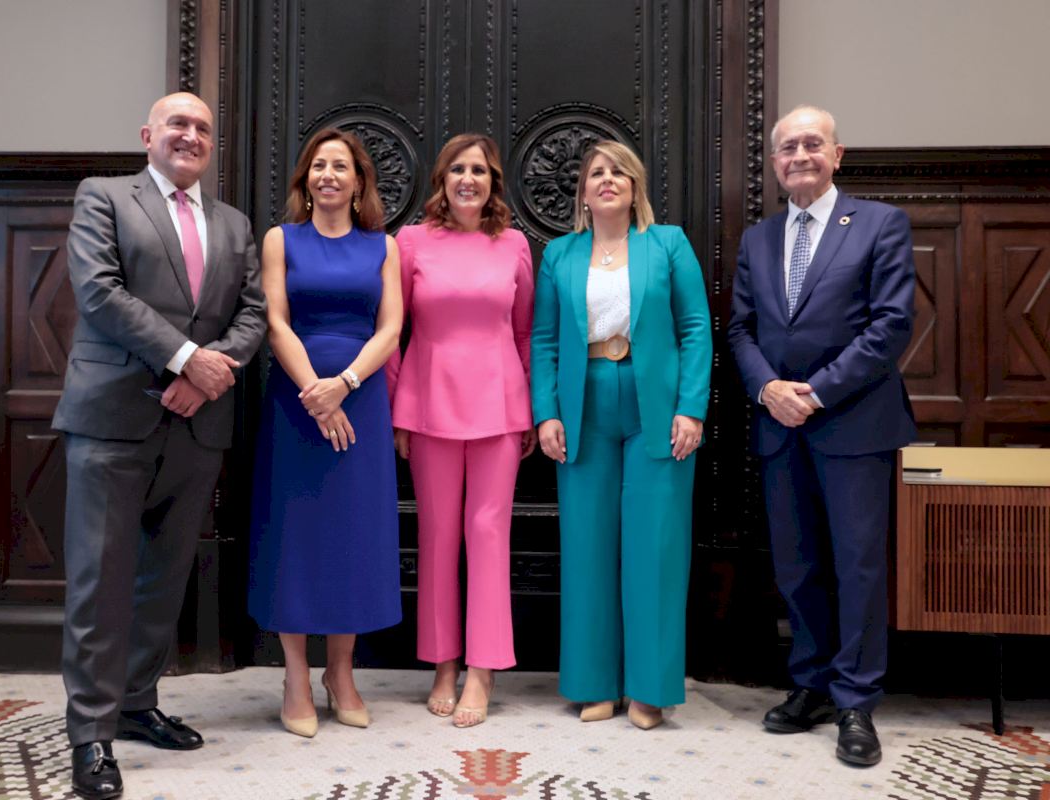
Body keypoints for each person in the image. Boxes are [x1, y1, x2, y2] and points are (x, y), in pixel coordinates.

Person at [52, 92, 266, 800]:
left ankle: (137, 703)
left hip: (196, 427)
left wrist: (207, 376)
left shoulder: (234, 225)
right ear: (148, 134)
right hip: (112, 419)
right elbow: (99, 292)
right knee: (100, 582)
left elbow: (253, 313)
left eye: (203, 127)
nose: (191, 135)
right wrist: (186, 359)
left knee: (163, 579)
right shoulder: (104, 197)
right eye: (178, 123)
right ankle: (91, 733)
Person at [727, 105, 916, 767]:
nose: (800, 155)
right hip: (779, 427)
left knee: (858, 565)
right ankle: (809, 683)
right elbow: (740, 330)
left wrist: (816, 391)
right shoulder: (758, 239)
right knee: (797, 564)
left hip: (853, 423)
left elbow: (891, 325)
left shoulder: (880, 223)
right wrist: (767, 389)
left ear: (837, 155)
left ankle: (856, 700)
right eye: (788, 147)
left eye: (813, 144)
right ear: (774, 163)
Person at [531, 140, 711, 730]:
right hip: (583, 405)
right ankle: (593, 684)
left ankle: (649, 689)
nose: (607, 180)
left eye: (618, 173)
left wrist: (691, 408)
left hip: (655, 402)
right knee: (587, 547)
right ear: (583, 191)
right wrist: (546, 413)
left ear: (635, 188)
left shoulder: (668, 244)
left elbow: (695, 327)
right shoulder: (559, 254)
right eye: (596, 173)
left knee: (656, 548)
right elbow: (544, 339)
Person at [247, 128, 403, 738]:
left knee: (351, 534)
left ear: (359, 182)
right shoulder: (280, 239)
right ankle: (294, 676)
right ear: (305, 180)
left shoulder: (383, 247)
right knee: (294, 532)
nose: (329, 175)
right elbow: (275, 321)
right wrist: (316, 391)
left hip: (361, 402)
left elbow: (391, 329)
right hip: (295, 401)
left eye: (341, 166)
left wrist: (345, 384)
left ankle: (341, 672)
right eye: (319, 165)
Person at [386, 133, 535, 728]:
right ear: (442, 181)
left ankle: (483, 667)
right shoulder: (411, 242)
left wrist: (530, 410)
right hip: (428, 404)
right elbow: (392, 329)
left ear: (493, 182)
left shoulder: (514, 244)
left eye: (479, 170)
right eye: (457, 170)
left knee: (488, 531)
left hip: (500, 406)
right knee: (438, 534)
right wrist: (398, 410)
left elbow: (524, 332)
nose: (468, 179)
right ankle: (443, 662)